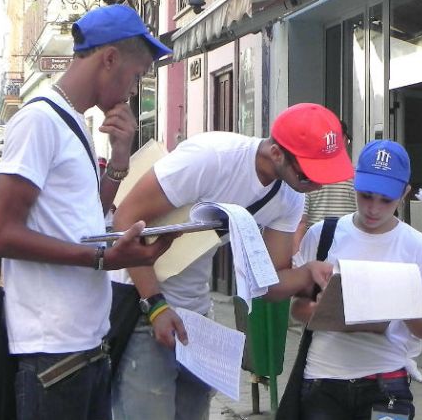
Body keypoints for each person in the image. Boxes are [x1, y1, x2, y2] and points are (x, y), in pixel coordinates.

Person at [0, 4, 180, 420]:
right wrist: (103, 259)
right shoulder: (38, 120)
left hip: (86, 343)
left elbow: (85, 218)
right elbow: (1, 234)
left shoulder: (71, 122)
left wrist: (121, 158)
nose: (135, 87)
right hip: (52, 355)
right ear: (109, 58)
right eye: (137, 74)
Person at [109, 102, 354, 420]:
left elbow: (269, 281)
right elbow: (125, 219)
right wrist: (156, 307)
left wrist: (311, 273)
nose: (318, 185)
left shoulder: (290, 195)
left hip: (195, 318)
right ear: (277, 153)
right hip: (142, 307)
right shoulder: (212, 158)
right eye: (309, 175)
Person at [291, 139, 422, 420]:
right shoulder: (322, 235)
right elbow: (297, 308)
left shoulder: (418, 247)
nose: (373, 208)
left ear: (404, 193)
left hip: (387, 380)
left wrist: (400, 302)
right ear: (354, 182)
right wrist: (325, 311)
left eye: (386, 200)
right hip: (324, 378)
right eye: (366, 195)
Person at [293, 120, 357, 253]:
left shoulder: (308, 176)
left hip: (315, 247)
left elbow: (301, 223)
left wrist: (296, 258)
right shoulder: (357, 177)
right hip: (348, 248)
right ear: (344, 140)